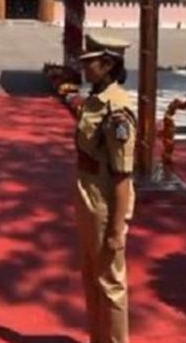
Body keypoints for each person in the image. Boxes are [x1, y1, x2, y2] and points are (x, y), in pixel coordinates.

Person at [73, 32, 137, 343]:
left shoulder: (117, 110)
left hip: (105, 203)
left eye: (91, 63)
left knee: (111, 283)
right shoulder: (96, 99)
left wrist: (115, 229)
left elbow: (123, 176)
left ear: (108, 64)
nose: (85, 67)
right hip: (88, 199)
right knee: (91, 277)